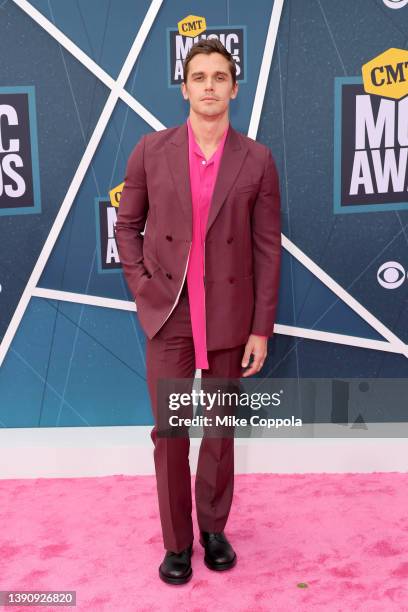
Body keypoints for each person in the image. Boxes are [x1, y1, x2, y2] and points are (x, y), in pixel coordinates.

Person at [115, 38, 281, 585]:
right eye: (199, 77)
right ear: (184, 88)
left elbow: (266, 248)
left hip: (232, 316)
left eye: (219, 76)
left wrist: (261, 326)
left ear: (234, 88)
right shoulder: (149, 150)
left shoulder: (257, 159)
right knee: (170, 431)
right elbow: (126, 225)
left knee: (219, 429)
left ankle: (213, 529)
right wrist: (143, 286)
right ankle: (177, 543)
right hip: (171, 317)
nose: (209, 86)